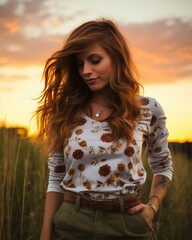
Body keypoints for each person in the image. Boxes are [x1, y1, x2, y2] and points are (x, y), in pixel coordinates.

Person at [36, 18, 173, 240]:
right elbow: (56, 177)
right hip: (72, 223)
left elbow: (163, 166)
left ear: (116, 58)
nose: (86, 71)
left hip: (127, 224)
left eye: (95, 60)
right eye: (80, 64)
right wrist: (45, 235)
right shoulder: (65, 112)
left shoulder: (147, 109)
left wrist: (153, 206)